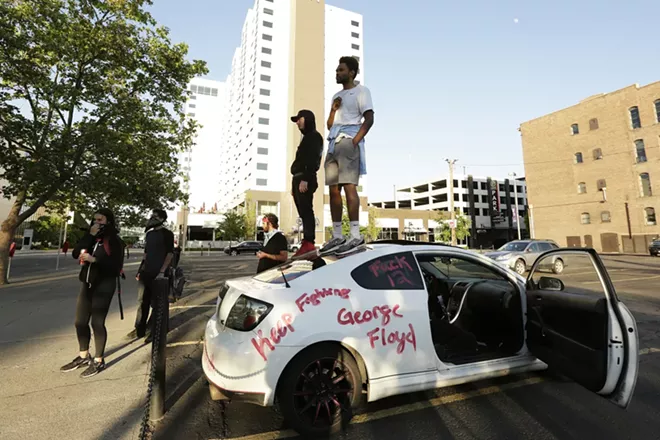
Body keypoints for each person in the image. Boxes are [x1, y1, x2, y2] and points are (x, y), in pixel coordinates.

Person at [60, 208, 123, 378]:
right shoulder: (92, 238)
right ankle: (83, 356)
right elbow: (75, 253)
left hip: (105, 285)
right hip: (87, 283)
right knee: (80, 322)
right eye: (94, 220)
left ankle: (99, 359)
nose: (96, 223)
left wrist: (95, 260)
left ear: (108, 221)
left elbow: (116, 266)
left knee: (97, 323)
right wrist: (89, 236)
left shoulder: (114, 241)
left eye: (100, 220)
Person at [322, 56, 375, 254]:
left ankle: (355, 234)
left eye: (341, 70)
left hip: (348, 140)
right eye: (337, 70)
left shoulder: (362, 91)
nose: (337, 73)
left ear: (351, 72)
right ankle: (337, 235)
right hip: (333, 142)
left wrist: (354, 141)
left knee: (348, 187)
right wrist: (333, 110)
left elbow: (369, 118)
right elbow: (329, 125)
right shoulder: (337, 95)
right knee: (333, 190)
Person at [128, 209, 174, 341]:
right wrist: (140, 269)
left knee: (158, 303)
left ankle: (156, 331)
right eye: (151, 216)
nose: (152, 218)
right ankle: (139, 329)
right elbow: (146, 253)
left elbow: (169, 254)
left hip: (159, 274)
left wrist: (162, 271)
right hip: (146, 272)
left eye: (155, 216)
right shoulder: (149, 234)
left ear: (162, 219)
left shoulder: (167, 234)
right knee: (142, 301)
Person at [290, 109, 324, 257]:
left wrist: (305, 178)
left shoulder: (314, 137)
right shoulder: (306, 138)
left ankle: (309, 242)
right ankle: (306, 242)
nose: (297, 122)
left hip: (305, 176)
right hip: (298, 177)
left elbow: (313, 159)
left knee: (306, 210)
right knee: (302, 211)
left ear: (307, 119)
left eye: (299, 119)